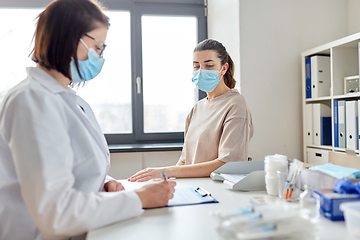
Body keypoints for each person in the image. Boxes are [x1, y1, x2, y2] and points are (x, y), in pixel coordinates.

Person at [0, 0, 175, 239]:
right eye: (97, 47)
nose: (100, 57)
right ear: (68, 38)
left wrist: (103, 182)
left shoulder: (70, 101)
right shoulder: (31, 100)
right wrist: (139, 198)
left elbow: (69, 172)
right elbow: (56, 214)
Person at [128, 39, 254, 182]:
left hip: (217, 192)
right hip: (194, 190)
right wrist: (166, 181)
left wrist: (165, 171)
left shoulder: (236, 104)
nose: (201, 71)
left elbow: (228, 163)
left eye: (209, 65)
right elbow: (184, 160)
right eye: (196, 66)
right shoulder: (197, 108)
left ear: (224, 68)